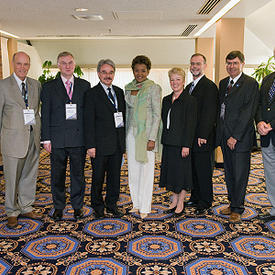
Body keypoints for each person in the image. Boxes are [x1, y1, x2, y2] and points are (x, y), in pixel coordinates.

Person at [41, 51, 90, 221]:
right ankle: (59, 207)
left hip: (78, 139)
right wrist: (46, 139)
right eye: (63, 63)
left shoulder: (85, 85)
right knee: (57, 175)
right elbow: (45, 114)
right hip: (57, 139)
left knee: (78, 175)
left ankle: (77, 207)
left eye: (70, 62)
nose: (67, 66)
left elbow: (87, 114)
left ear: (74, 64)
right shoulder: (48, 87)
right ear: (58, 65)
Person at [0, 51, 42, 228]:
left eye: (26, 64)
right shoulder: (3, 86)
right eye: (19, 64)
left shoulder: (36, 85)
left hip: (32, 137)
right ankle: (11, 210)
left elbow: (36, 110)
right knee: (11, 178)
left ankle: (26, 205)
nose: (22, 68)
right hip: (12, 140)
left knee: (29, 174)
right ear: (13, 64)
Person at [216, 50, 259, 223]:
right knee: (229, 172)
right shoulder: (223, 83)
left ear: (242, 63)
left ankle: (238, 208)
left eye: (234, 63)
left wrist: (235, 136)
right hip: (225, 136)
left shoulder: (250, 83)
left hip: (239, 139)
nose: (231, 66)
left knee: (240, 173)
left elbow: (248, 113)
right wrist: (224, 135)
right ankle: (232, 202)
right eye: (228, 63)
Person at [84, 59, 125, 219]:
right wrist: (90, 145)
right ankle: (98, 206)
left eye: (110, 72)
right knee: (98, 178)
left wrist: (122, 144)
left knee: (115, 178)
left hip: (116, 145)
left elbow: (123, 118)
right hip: (99, 146)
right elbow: (88, 121)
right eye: (104, 72)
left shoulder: (119, 92)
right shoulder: (91, 94)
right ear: (98, 74)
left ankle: (112, 204)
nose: (108, 76)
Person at [125, 55, 161, 219]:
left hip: (146, 135)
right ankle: (136, 204)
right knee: (133, 170)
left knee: (146, 171)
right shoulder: (127, 87)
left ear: (148, 71)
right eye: (137, 70)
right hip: (131, 134)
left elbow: (156, 114)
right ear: (133, 70)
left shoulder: (153, 88)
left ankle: (145, 205)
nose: (139, 73)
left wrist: (152, 138)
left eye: (143, 70)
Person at [159, 68, 197, 217]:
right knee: (171, 174)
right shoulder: (166, 99)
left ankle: (181, 202)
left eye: (178, 79)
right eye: (172, 80)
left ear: (183, 81)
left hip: (182, 144)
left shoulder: (190, 100)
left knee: (181, 174)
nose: (174, 83)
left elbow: (190, 125)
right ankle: (174, 200)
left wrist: (186, 144)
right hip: (169, 142)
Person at [185, 54, 218, 214]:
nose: (194, 66)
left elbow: (210, 113)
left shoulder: (209, 86)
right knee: (194, 169)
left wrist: (203, 135)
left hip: (202, 138)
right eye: (192, 64)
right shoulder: (188, 87)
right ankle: (195, 197)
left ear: (204, 65)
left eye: (198, 64)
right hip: (191, 138)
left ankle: (205, 201)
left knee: (203, 170)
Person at [255, 48, 275, 222]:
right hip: (267, 137)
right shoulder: (268, 79)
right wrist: (259, 122)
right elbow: (260, 104)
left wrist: (271, 125)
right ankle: (274, 208)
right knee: (270, 173)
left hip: (271, 130)